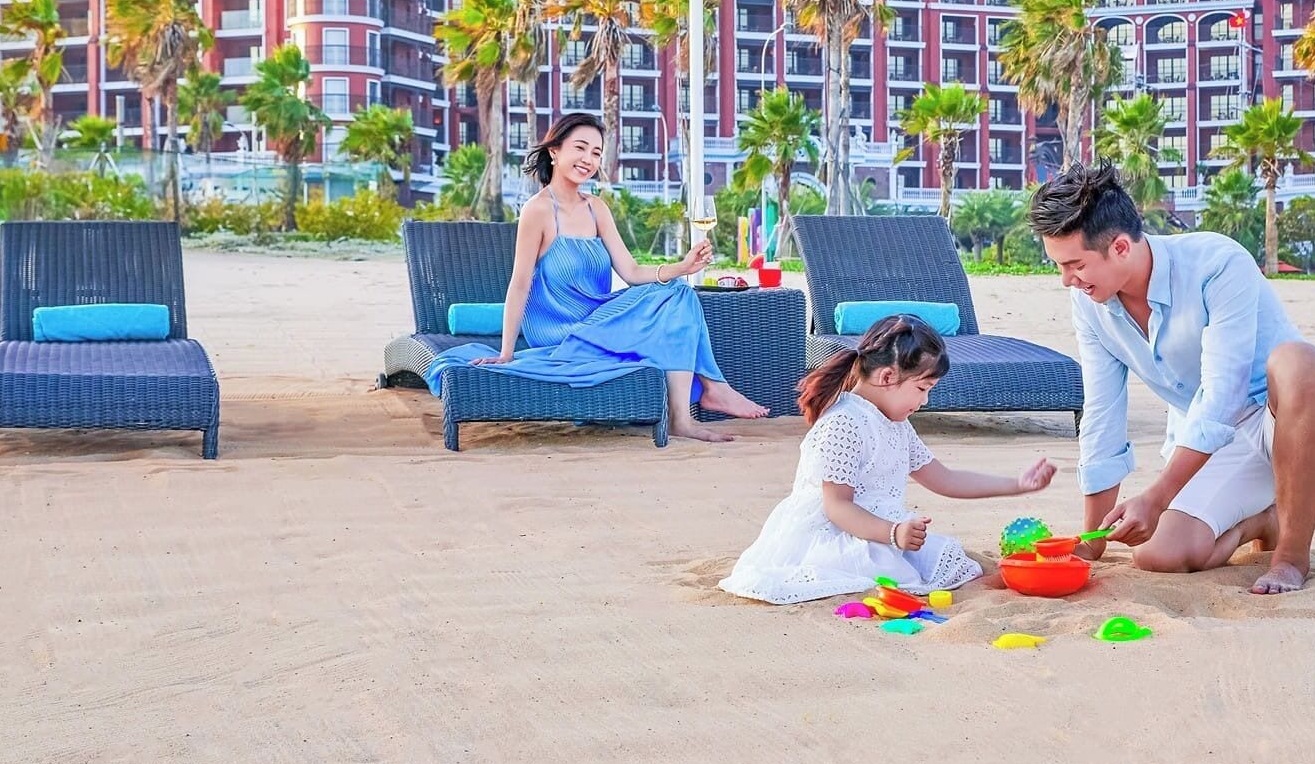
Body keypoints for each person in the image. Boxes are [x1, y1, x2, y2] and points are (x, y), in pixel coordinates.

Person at [1029, 162, 1315, 595]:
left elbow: (1223, 395)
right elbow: (1102, 414)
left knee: (1297, 363)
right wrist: (1091, 543)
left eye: (1075, 265)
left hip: (1296, 420)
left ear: (1122, 247)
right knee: (1157, 554)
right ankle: (1263, 517)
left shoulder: (1217, 263)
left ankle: (1292, 557)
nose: (1067, 281)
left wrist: (1158, 495)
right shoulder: (1090, 304)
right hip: (1218, 444)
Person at [429, 112, 769, 443]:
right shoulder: (537, 211)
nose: (588, 159)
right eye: (579, 147)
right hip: (560, 330)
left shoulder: (597, 208)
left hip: (598, 316)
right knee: (676, 296)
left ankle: (689, 410)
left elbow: (632, 272)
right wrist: (506, 352)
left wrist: (682, 267)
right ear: (554, 150)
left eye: (595, 152)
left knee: (680, 291)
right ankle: (710, 391)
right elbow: (520, 284)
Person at [719, 315, 1057, 604]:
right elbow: (836, 507)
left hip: (885, 531)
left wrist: (1016, 485)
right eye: (923, 388)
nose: (924, 401)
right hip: (839, 538)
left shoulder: (896, 425)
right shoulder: (844, 423)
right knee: (955, 570)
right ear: (887, 377)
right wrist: (891, 532)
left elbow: (944, 478)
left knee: (965, 562)